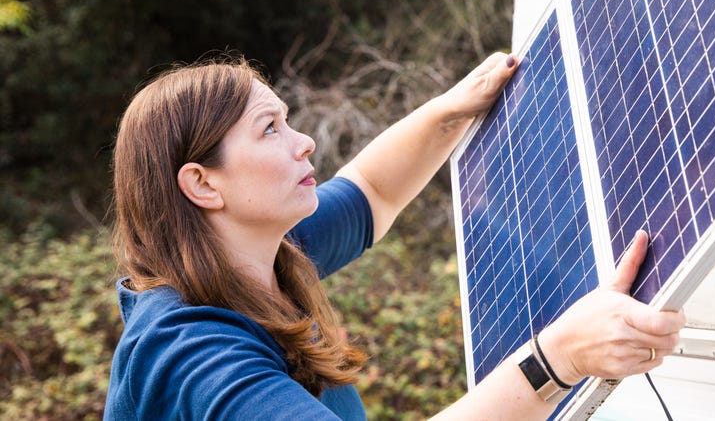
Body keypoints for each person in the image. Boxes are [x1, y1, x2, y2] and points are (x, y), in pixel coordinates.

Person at [104, 52, 685, 420]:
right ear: (204, 185)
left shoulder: (260, 254)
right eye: (270, 129)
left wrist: (451, 111)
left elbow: (373, 190)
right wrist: (558, 358)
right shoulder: (192, 354)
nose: (303, 141)